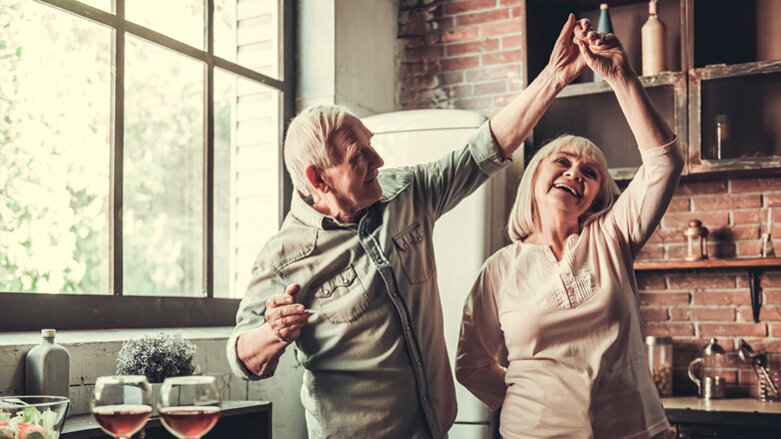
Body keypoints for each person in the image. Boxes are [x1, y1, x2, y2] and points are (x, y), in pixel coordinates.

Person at [227, 14, 591, 439]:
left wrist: (554, 76)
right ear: (317, 179)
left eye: (371, 145)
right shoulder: (283, 256)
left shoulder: (406, 193)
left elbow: (483, 150)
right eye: (357, 154)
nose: (377, 161)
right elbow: (243, 358)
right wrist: (271, 332)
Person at [455, 24, 683, 439]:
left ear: (596, 195)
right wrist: (533, 401)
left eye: (590, 172)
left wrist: (620, 75)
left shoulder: (611, 236)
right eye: (562, 162)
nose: (575, 173)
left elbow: (663, 164)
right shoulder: (499, 269)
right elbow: (471, 364)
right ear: (535, 176)